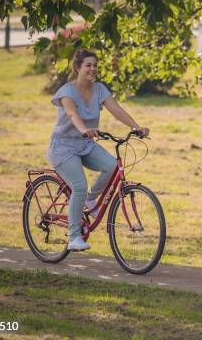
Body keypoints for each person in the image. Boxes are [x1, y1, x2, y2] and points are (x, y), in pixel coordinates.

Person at [47, 49, 149, 252]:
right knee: (79, 184)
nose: (92, 69)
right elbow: (72, 113)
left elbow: (116, 109)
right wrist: (85, 130)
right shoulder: (67, 91)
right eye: (88, 65)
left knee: (112, 166)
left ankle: (91, 199)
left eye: (95, 65)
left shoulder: (100, 89)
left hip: (85, 144)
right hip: (63, 147)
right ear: (78, 68)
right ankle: (74, 236)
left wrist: (135, 127)